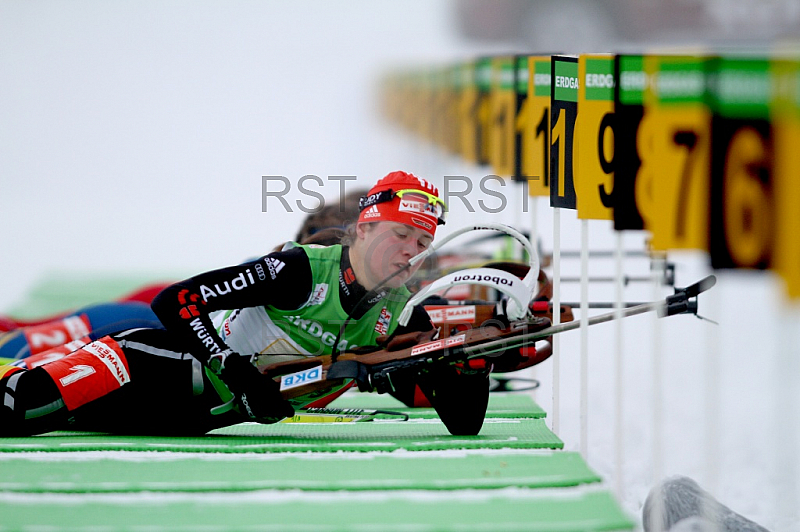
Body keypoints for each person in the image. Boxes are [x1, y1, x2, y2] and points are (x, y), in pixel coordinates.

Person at [0, 171, 491, 437]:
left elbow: (463, 423)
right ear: (364, 230)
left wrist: (474, 364)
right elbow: (177, 299)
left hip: (180, 422)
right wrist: (235, 371)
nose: (410, 250)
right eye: (399, 234)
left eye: (421, 241)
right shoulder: (299, 269)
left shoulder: (402, 313)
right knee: (19, 405)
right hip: (144, 366)